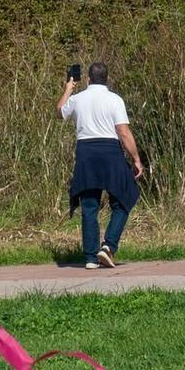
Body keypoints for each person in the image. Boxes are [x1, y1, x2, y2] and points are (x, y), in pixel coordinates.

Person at [59, 63, 143, 269]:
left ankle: (89, 258)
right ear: (107, 79)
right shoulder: (115, 99)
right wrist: (136, 159)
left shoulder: (77, 99)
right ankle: (108, 247)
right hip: (110, 152)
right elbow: (123, 132)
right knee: (126, 197)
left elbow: (60, 111)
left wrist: (68, 89)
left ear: (88, 79)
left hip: (86, 154)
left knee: (89, 205)